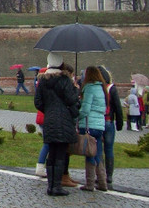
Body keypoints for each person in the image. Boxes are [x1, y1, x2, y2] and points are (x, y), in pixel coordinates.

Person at [34, 52, 78, 197]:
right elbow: (72, 100)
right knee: (60, 154)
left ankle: (50, 186)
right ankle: (57, 186)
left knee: (51, 153)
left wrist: (49, 110)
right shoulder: (64, 80)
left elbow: (38, 102)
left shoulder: (42, 81)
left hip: (49, 120)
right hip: (63, 120)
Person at [78, 66, 108, 192]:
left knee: (90, 152)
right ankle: (102, 182)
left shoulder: (89, 88)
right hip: (100, 125)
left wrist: (77, 116)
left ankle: (90, 183)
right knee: (98, 153)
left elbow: (85, 109)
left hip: (89, 125)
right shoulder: (101, 88)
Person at [98, 65, 122, 189]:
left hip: (98, 121)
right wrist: (119, 123)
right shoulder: (112, 89)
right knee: (109, 149)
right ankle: (109, 176)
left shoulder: (97, 88)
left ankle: (100, 175)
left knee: (99, 150)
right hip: (109, 121)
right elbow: (118, 106)